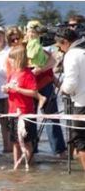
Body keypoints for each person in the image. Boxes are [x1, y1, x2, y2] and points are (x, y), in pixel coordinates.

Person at [26, 21, 66, 156]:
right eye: (29, 30)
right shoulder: (23, 46)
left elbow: (53, 61)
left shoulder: (45, 45)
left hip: (45, 84)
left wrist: (40, 69)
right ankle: (32, 149)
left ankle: (59, 150)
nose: (31, 33)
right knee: (30, 119)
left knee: (52, 118)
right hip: (29, 87)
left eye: (34, 31)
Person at [1, 45, 37, 170]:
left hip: (25, 113)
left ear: (19, 59)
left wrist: (18, 89)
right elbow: (10, 89)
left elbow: (33, 92)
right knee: (15, 142)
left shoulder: (28, 74)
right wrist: (6, 89)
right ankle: (16, 165)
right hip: (12, 112)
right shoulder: (12, 74)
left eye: (12, 58)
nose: (9, 61)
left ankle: (29, 165)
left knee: (26, 141)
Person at [55, 27, 85, 171]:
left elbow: (71, 83)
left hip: (81, 103)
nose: (60, 49)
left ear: (65, 42)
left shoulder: (72, 55)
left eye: (59, 46)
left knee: (81, 142)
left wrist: (63, 90)